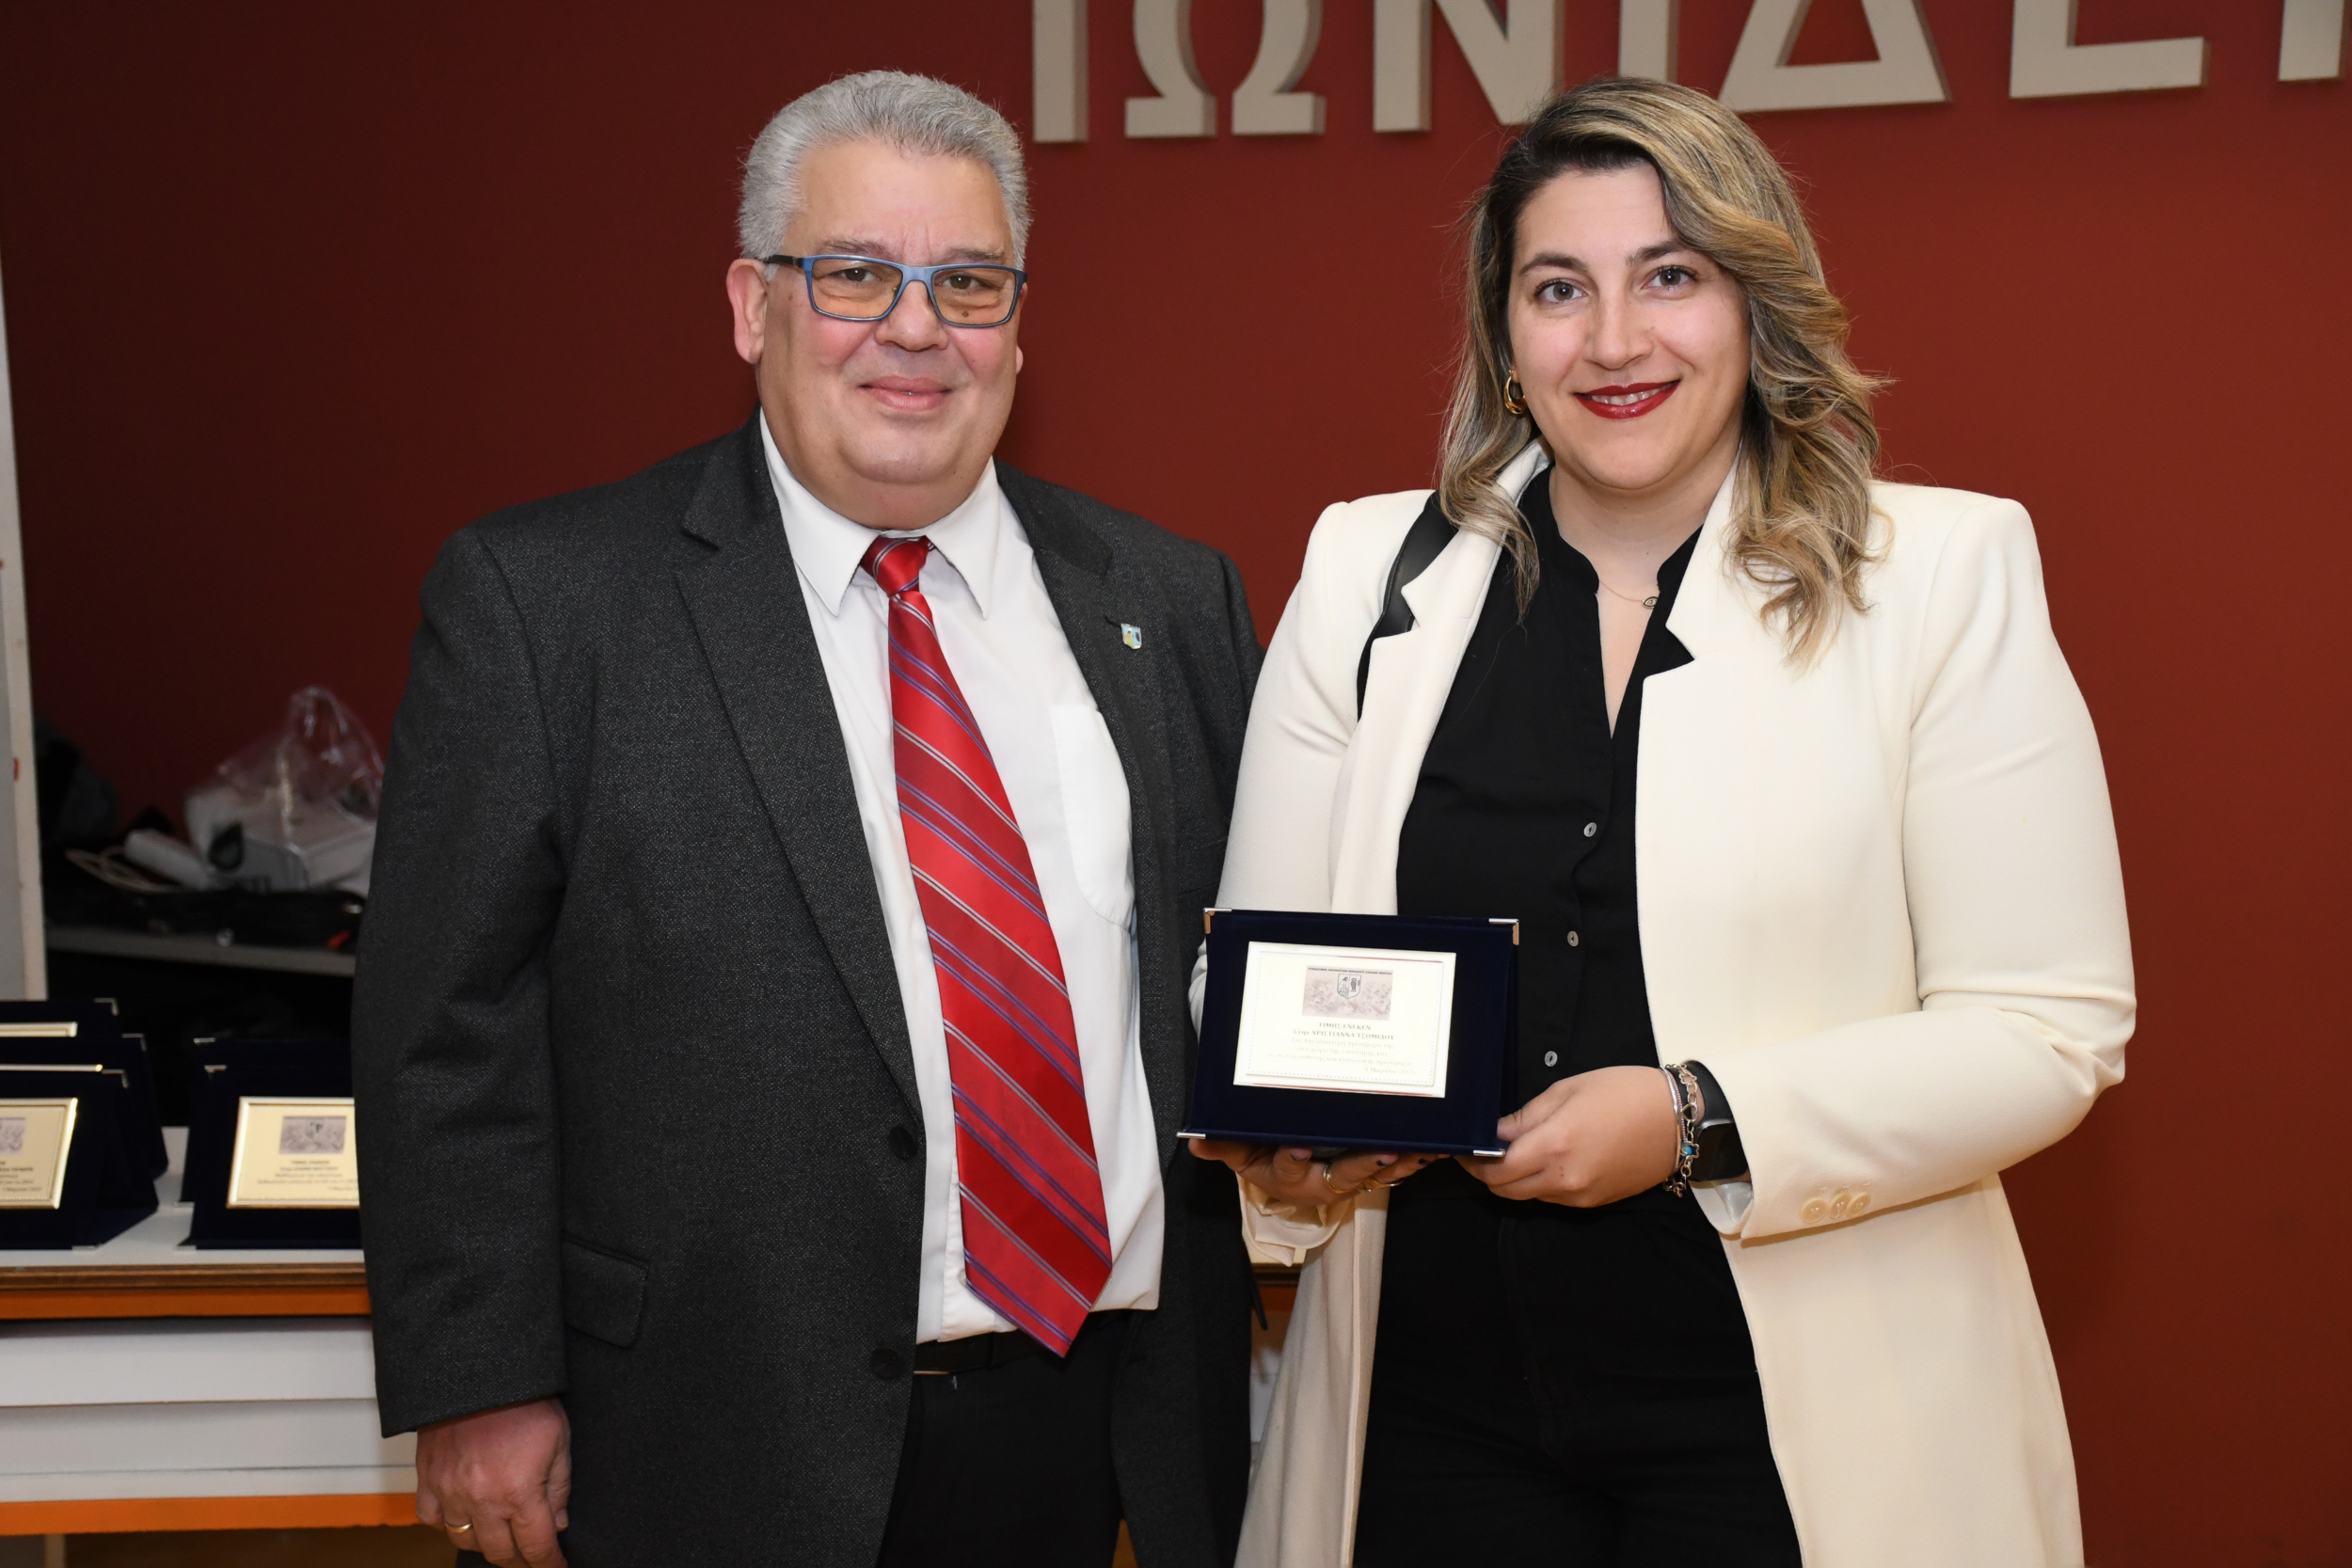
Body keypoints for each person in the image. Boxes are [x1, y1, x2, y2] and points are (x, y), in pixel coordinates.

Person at [1191, 77, 2134, 1568]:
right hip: (1428, 1412)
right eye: (1559, 288)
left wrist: (1698, 1117)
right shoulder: (1367, 573)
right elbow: (1251, 979)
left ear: (1755, 308)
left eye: (1671, 277)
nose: (1615, 340)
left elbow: (2045, 1028)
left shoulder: (1938, 576)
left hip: (1800, 1424)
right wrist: (1285, 1137)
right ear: (1506, 336)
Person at [355, 71, 1260, 1568]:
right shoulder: (547, 605)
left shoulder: (1168, 600)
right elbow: (446, 1031)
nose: (916, 328)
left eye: (968, 284)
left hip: (1088, 1421)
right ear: (749, 306)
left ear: (1018, 324)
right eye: (854, 275)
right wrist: (481, 1377)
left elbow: (1232, 963)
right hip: (704, 1432)